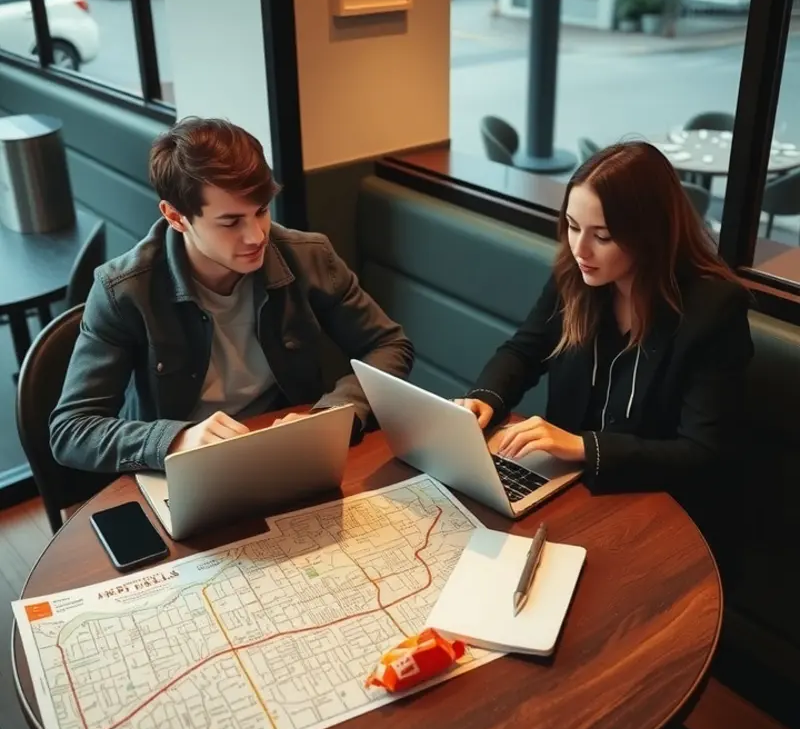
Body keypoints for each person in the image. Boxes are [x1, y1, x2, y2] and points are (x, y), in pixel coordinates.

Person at [50, 117, 413, 474]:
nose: (256, 236)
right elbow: (72, 430)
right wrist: (175, 440)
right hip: (182, 469)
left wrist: (331, 415)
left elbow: (389, 345)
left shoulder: (309, 256)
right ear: (176, 217)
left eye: (261, 211)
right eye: (230, 222)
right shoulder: (124, 290)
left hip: (285, 453)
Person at [455, 141, 753, 576]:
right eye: (573, 226)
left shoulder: (713, 311)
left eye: (603, 236)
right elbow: (523, 350)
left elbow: (703, 455)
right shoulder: (576, 277)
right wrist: (484, 399)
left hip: (659, 517)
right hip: (572, 493)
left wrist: (584, 447)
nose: (581, 249)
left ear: (649, 233)